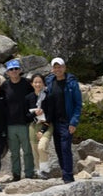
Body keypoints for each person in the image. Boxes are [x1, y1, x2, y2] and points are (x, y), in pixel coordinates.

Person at [44, 56, 82, 184]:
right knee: (58, 149)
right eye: (55, 67)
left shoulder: (71, 83)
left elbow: (78, 104)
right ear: (52, 69)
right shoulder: (49, 82)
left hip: (66, 122)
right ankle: (64, 173)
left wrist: (74, 122)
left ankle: (68, 177)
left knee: (65, 148)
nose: (57, 69)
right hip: (53, 122)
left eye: (59, 67)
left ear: (64, 68)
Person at [0, 58, 34, 180]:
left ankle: (29, 174)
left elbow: (35, 96)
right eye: (11, 69)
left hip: (25, 123)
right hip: (10, 124)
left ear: (20, 70)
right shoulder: (4, 86)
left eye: (16, 69)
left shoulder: (27, 84)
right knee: (14, 152)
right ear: (7, 72)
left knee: (27, 151)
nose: (14, 71)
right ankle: (16, 174)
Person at [26, 72, 53, 178]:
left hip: (46, 125)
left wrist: (42, 131)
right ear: (32, 84)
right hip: (33, 126)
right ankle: (38, 171)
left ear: (43, 83)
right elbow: (26, 116)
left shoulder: (49, 97)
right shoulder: (28, 98)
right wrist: (34, 114)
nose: (37, 84)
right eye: (35, 82)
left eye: (40, 82)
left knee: (42, 147)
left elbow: (51, 115)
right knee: (35, 150)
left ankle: (45, 170)